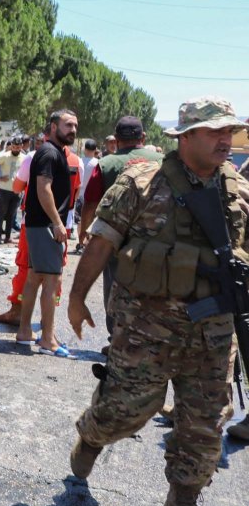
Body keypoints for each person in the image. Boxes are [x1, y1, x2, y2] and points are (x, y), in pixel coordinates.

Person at [68, 96, 249, 506]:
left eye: (229, 131)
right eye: (215, 131)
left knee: (205, 430)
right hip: (144, 331)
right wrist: (76, 299)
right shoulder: (141, 183)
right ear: (185, 136)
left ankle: (183, 499)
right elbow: (101, 244)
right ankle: (92, 436)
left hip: (213, 337)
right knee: (124, 411)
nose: (226, 139)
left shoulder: (239, 192)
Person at [80, 116, 162, 342]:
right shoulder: (162, 160)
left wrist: (84, 231)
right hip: (155, 240)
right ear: (143, 137)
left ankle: (116, 339)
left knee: (114, 286)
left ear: (116, 139)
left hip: (115, 240)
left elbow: (90, 202)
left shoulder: (105, 164)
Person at [17, 109, 78, 359]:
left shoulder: (53, 152)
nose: (73, 130)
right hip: (45, 225)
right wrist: (57, 222)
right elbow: (43, 188)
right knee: (52, 279)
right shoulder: (50, 152)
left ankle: (24, 332)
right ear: (53, 127)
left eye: (75, 126)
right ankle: (47, 339)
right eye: (68, 125)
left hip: (40, 224)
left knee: (34, 277)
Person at [0, 137, 26, 243]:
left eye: (18, 147)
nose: (16, 149)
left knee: (12, 214)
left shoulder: (24, 158)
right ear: (11, 146)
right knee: (1, 213)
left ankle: (8, 237)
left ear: (21, 146)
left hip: (17, 191)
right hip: (4, 189)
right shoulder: (4, 156)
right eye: (14, 147)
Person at [74, 139, 100, 251]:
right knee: (91, 220)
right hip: (92, 196)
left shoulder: (79, 161)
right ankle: (87, 243)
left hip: (79, 194)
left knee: (80, 221)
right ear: (95, 150)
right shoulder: (97, 163)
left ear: (85, 149)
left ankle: (80, 243)